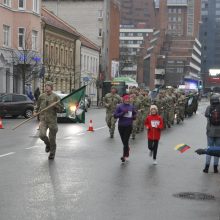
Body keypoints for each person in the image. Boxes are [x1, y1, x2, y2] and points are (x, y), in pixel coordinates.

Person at [34, 81, 63, 160]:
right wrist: (35, 112)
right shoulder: (41, 96)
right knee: (42, 135)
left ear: (51, 87)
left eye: (48, 86)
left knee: (52, 138)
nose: (46, 87)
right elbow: (37, 105)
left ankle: (52, 153)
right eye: (45, 86)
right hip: (43, 119)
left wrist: (56, 105)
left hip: (52, 120)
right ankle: (48, 144)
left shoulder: (56, 97)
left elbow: (61, 109)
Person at [114, 95, 136, 163]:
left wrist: (133, 117)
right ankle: (127, 149)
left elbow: (135, 114)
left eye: (128, 99)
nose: (127, 100)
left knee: (126, 141)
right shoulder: (119, 106)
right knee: (124, 142)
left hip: (128, 126)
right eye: (126, 99)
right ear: (123, 100)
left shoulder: (131, 106)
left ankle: (124, 156)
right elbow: (115, 115)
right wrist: (123, 112)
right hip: (121, 126)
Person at [203, 94, 220, 173]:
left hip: (210, 132)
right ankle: (215, 167)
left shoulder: (209, 108)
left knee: (209, 148)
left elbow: (206, 116)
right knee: (217, 149)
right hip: (219, 133)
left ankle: (206, 167)